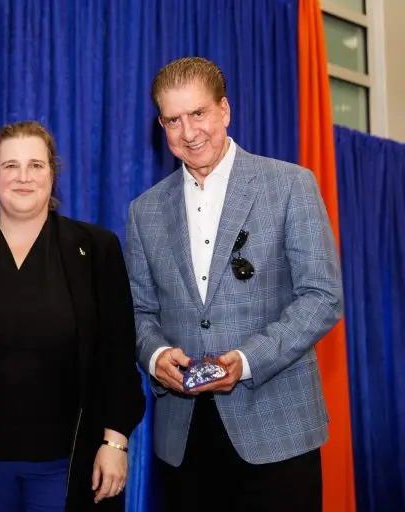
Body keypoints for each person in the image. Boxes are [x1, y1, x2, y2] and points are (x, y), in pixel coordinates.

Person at [124, 57, 344, 511]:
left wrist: (244, 362)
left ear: (224, 110)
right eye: (172, 120)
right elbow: (139, 312)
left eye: (198, 114)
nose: (188, 132)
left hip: (278, 429)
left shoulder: (289, 185)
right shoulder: (143, 211)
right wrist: (157, 355)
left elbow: (322, 297)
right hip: (183, 441)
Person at [0, 121, 145, 512]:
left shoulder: (96, 250)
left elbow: (118, 354)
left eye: (36, 166)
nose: (23, 177)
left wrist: (115, 441)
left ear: (52, 174)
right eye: (10, 166)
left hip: (68, 465)